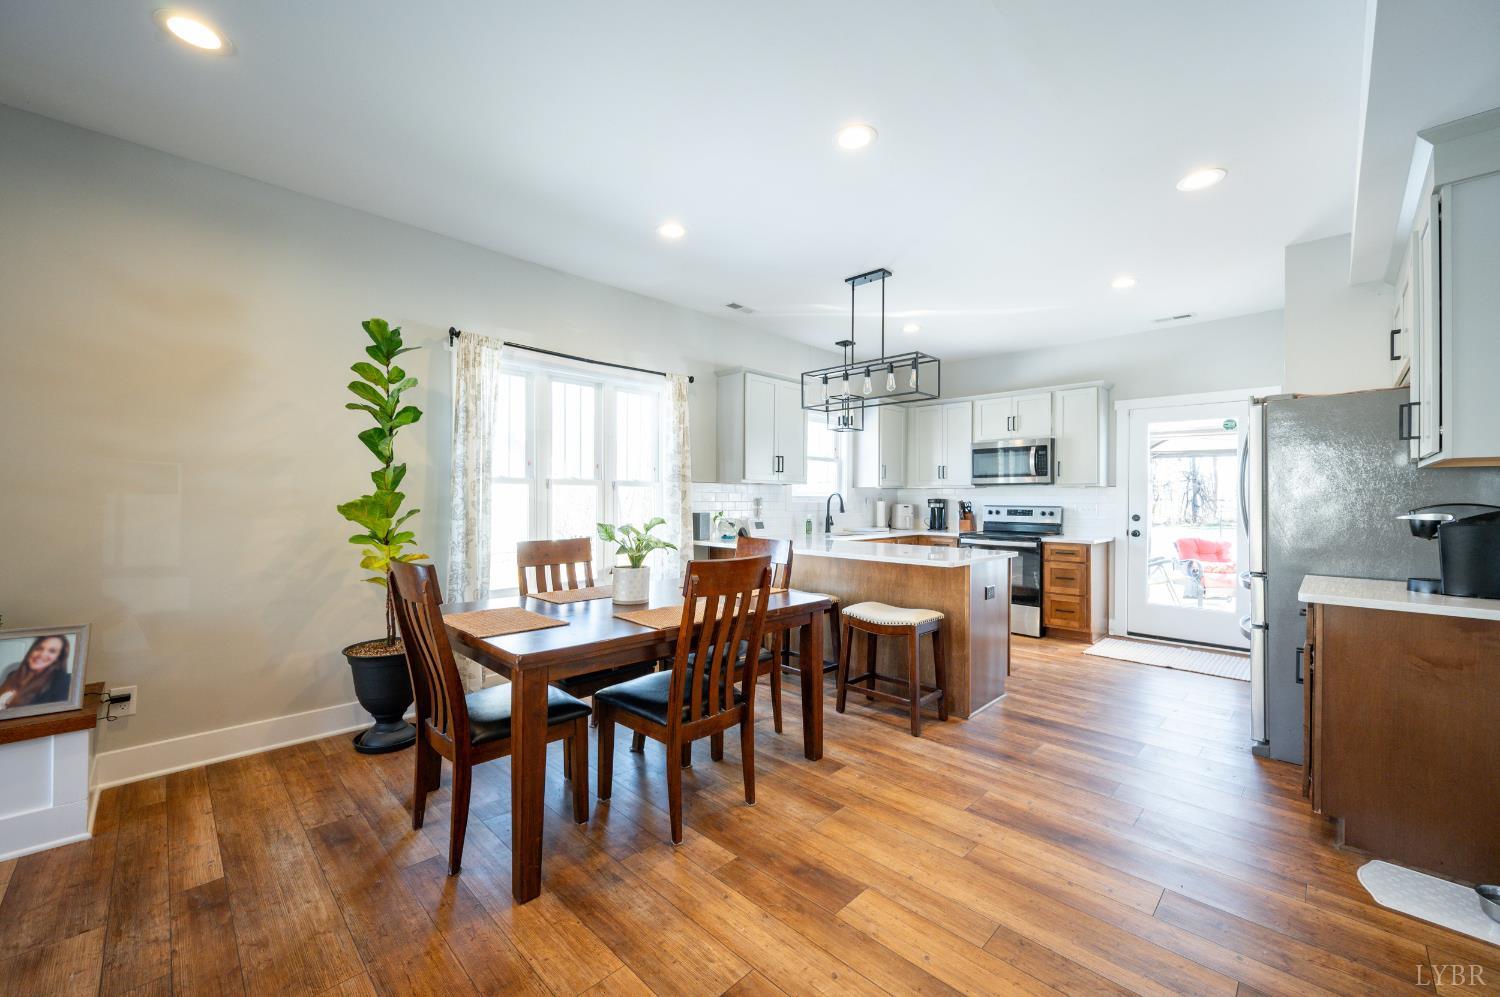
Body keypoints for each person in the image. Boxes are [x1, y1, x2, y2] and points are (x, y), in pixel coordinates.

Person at [0, 635, 73, 710]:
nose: (42, 654)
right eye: (39, 648)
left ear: (58, 658)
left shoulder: (62, 682)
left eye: (52, 651)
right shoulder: (12, 675)